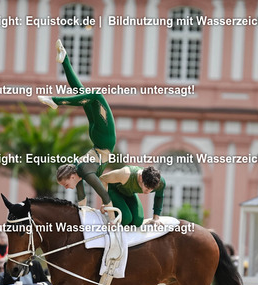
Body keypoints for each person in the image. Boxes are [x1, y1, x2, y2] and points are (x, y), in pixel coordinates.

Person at [40, 40, 117, 222]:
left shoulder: (82, 170)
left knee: (91, 96)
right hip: (102, 139)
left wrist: (111, 220)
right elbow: (92, 200)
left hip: (101, 140)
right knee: (89, 96)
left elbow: (95, 199)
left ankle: (56, 98)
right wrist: (109, 221)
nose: (67, 188)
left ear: (72, 176)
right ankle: (64, 61)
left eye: (66, 184)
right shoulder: (82, 172)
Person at [99, 165, 165, 227]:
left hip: (129, 193)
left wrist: (156, 218)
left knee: (138, 222)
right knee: (125, 219)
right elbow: (103, 179)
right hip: (114, 190)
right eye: (147, 188)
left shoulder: (160, 182)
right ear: (141, 178)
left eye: (151, 190)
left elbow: (159, 197)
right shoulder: (125, 174)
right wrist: (104, 203)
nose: (148, 192)